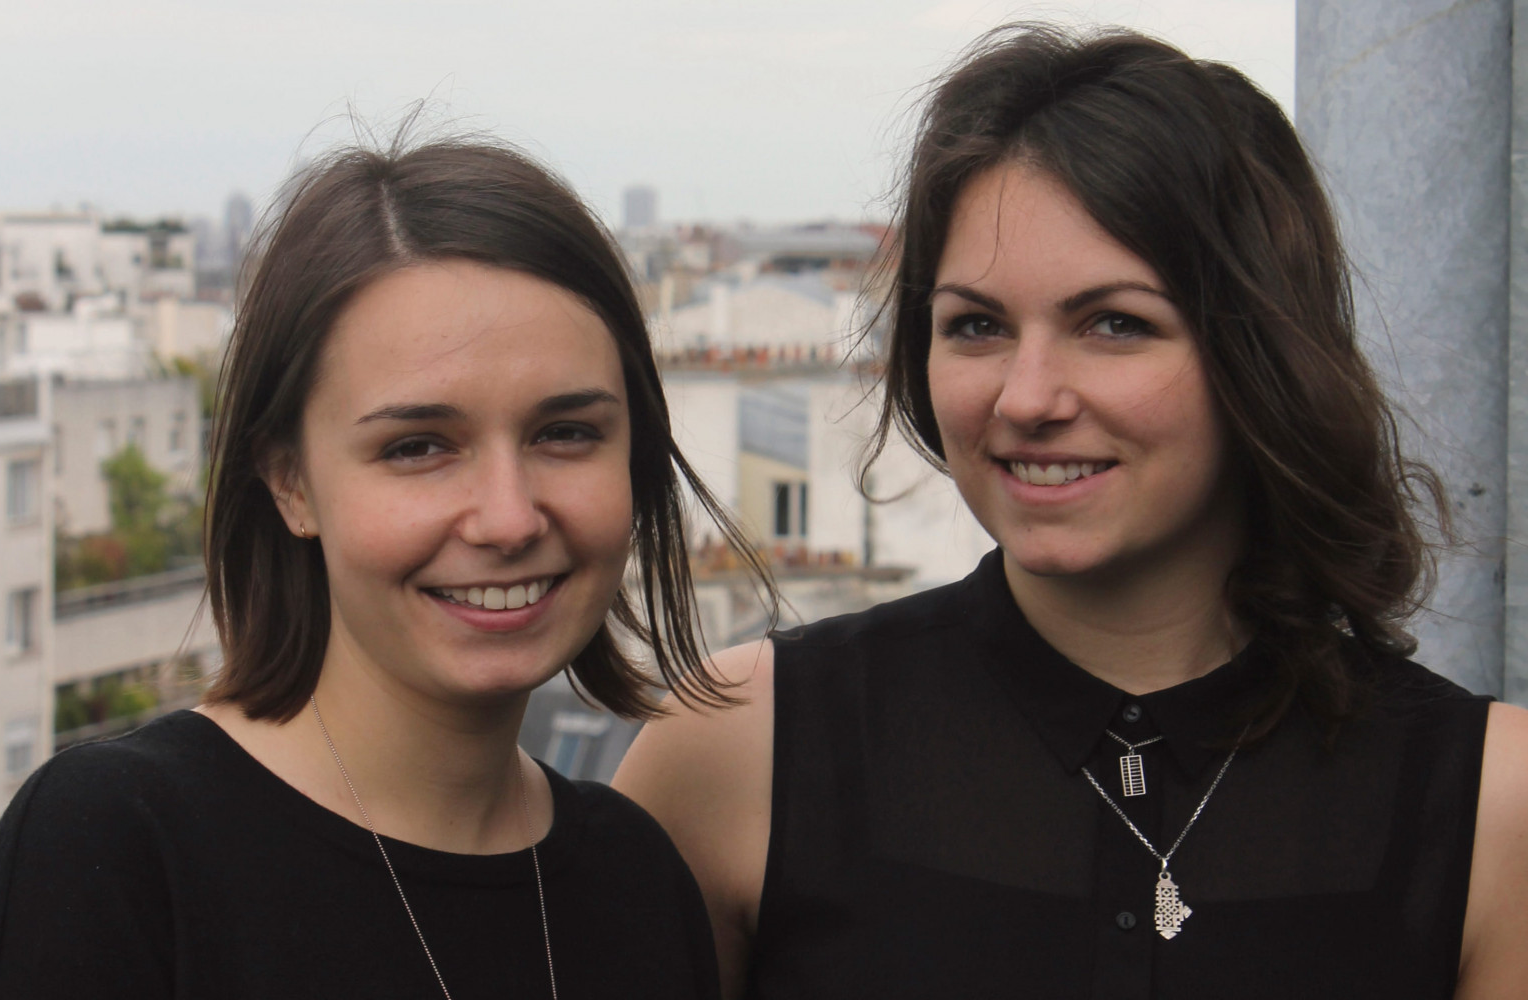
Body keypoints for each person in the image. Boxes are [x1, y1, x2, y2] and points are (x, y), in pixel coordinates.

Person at [614, 23, 1528, 999]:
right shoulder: (738, 746)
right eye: (975, 325)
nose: (1026, 397)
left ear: (1261, 354)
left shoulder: (1487, 806)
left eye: (1113, 324)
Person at [0, 134, 767, 998]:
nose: (507, 517)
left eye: (564, 433)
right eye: (417, 446)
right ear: (289, 482)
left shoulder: (637, 880)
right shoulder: (115, 849)